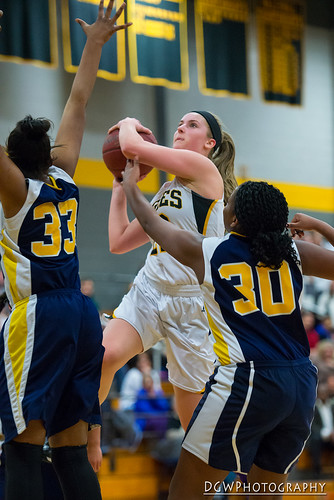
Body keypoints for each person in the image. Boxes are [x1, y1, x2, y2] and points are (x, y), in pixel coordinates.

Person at [121, 163, 334, 499]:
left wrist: (130, 185)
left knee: (185, 492)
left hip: (249, 381)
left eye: (228, 204)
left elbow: (150, 223)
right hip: (300, 385)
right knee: (264, 494)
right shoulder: (293, 252)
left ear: (233, 220)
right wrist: (320, 224)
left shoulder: (210, 251)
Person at [0, 3, 131, 500]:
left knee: (21, 448)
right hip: (81, 314)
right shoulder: (65, 176)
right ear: (47, 156)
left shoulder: (17, 191)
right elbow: (77, 101)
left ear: (14, 163)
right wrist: (95, 42)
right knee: (71, 451)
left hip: (40, 317)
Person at [100, 111, 237, 430]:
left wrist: (129, 122)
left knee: (190, 416)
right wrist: (120, 190)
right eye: (180, 122)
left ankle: (220, 477)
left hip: (191, 304)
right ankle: (79, 441)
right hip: (149, 290)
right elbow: (118, 242)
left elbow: (132, 144)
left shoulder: (204, 170)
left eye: (192, 125)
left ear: (209, 143)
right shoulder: (165, 192)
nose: (180, 127)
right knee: (104, 357)